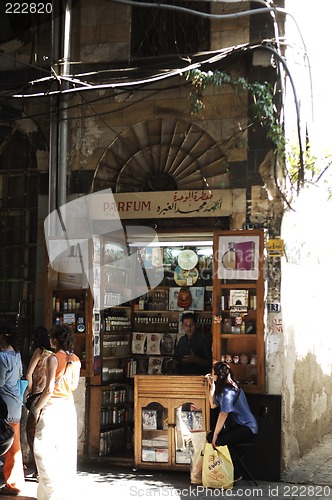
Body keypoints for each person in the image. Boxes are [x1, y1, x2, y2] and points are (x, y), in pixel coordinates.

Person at [31, 324, 81, 500]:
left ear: (56, 340)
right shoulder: (75, 359)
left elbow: (49, 388)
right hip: (68, 407)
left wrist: (37, 408)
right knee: (63, 452)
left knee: (41, 448)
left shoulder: (52, 359)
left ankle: (52, 492)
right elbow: (74, 386)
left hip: (53, 407)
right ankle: (56, 493)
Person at [206, 361, 258, 448]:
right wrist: (212, 386)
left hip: (247, 427)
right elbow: (213, 405)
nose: (211, 375)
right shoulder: (225, 388)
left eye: (212, 372)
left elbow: (223, 414)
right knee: (210, 437)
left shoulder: (228, 391)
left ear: (217, 375)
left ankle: (228, 461)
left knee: (219, 441)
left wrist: (216, 435)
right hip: (236, 425)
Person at [0, 318, 25, 496]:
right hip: (15, 404)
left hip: (4, 406)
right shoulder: (16, 354)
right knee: (14, 446)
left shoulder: (2, 357)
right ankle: (14, 482)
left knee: (8, 447)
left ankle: (13, 483)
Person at [25, 326, 52, 478]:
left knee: (31, 433)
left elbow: (29, 374)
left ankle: (38, 470)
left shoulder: (39, 352)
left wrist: (28, 391)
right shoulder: (53, 355)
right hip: (49, 398)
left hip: (37, 397)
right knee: (42, 435)